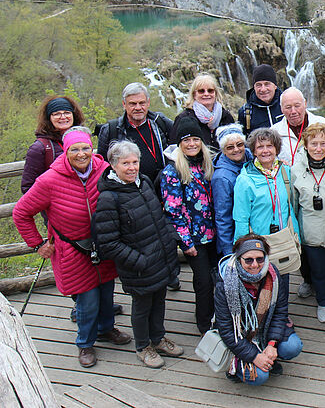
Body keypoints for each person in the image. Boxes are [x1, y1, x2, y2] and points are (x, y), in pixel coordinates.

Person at [13, 127, 131, 368]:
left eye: (85, 148)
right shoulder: (49, 180)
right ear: (65, 152)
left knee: (107, 293)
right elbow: (21, 212)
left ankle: (107, 329)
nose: (81, 154)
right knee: (87, 301)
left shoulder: (104, 171)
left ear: (92, 148)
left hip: (104, 245)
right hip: (73, 250)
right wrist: (38, 244)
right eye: (74, 149)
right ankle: (85, 344)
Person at [93, 141, 183, 368]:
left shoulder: (142, 183)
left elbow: (157, 216)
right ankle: (143, 347)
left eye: (135, 162)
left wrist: (170, 239)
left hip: (159, 257)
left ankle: (158, 338)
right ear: (114, 165)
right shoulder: (109, 198)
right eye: (126, 163)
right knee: (142, 306)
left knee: (159, 301)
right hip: (139, 265)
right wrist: (139, 261)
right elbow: (109, 242)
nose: (132, 167)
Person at [214, 234, 303, 385]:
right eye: (248, 260)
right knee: (259, 377)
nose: (255, 265)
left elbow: (280, 312)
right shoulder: (225, 284)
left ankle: (267, 356)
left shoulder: (273, 275)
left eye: (260, 259)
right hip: (240, 336)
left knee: (293, 347)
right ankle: (239, 366)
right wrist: (255, 357)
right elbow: (228, 331)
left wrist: (271, 344)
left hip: (265, 330)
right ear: (238, 259)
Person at [161, 118, 217, 333]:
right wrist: (186, 242)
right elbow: (173, 211)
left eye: (196, 139)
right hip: (194, 239)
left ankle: (218, 315)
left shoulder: (207, 164)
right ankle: (204, 322)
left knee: (218, 278)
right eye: (187, 140)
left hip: (215, 234)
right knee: (203, 281)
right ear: (179, 144)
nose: (192, 144)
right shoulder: (173, 172)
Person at [291, 123, 325, 323]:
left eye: (323, 143)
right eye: (314, 143)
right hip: (311, 234)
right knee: (319, 272)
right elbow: (293, 205)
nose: (318, 148)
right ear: (305, 145)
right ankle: (323, 302)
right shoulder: (296, 170)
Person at [96, 83, 173, 184]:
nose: (138, 108)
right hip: (128, 193)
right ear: (124, 104)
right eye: (132, 104)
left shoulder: (160, 122)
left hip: (162, 187)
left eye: (142, 103)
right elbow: (102, 166)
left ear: (148, 103)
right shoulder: (111, 130)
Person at [232, 128, 299, 241]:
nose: (265, 151)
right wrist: (243, 246)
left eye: (269, 146)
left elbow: (293, 208)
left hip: (287, 240)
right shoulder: (245, 179)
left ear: (276, 149)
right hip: (260, 242)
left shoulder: (286, 171)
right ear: (254, 151)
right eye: (260, 147)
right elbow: (241, 218)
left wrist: (297, 238)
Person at [21, 95, 85, 193]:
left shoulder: (82, 140)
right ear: (49, 118)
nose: (63, 117)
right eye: (56, 114)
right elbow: (28, 187)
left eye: (67, 112)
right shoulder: (40, 148)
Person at [211, 124, 252, 257]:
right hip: (237, 235)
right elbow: (222, 216)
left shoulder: (252, 159)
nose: (236, 150)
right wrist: (228, 250)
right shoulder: (222, 178)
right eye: (230, 147)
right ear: (223, 150)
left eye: (239, 144)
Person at [274, 87, 325, 166]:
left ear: (305, 104)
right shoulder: (275, 132)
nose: (293, 111)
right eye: (288, 107)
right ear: (281, 109)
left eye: (297, 106)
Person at [169, 74, 235, 149]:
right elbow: (174, 148)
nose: (206, 94)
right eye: (201, 91)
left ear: (215, 93)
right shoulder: (183, 119)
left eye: (210, 91)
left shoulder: (226, 117)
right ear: (194, 94)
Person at [238, 64, 284, 135]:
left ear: (275, 86)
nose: (263, 89)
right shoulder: (245, 112)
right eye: (258, 85)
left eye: (267, 84)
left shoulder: (287, 104)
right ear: (254, 87)